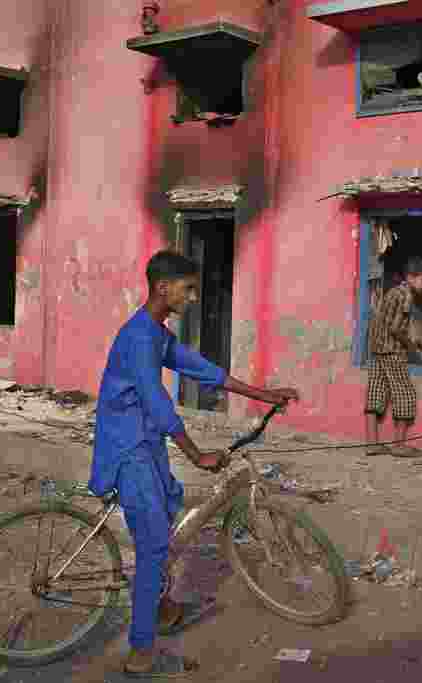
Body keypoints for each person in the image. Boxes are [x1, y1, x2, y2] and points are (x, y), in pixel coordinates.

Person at [88, 250, 298, 678]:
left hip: (146, 442)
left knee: (165, 514)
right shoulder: (139, 338)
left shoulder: (156, 333)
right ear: (163, 287)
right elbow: (157, 402)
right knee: (153, 546)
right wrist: (195, 453)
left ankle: (161, 607)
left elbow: (200, 369)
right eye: (188, 289)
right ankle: (140, 652)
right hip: (128, 448)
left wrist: (264, 395)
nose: (193, 298)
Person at [364, 257, 422, 458]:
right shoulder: (406, 296)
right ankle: (399, 445)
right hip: (392, 351)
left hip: (376, 349)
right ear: (410, 277)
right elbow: (395, 328)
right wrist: (410, 346)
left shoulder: (392, 291)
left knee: (375, 393)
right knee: (405, 394)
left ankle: (372, 443)